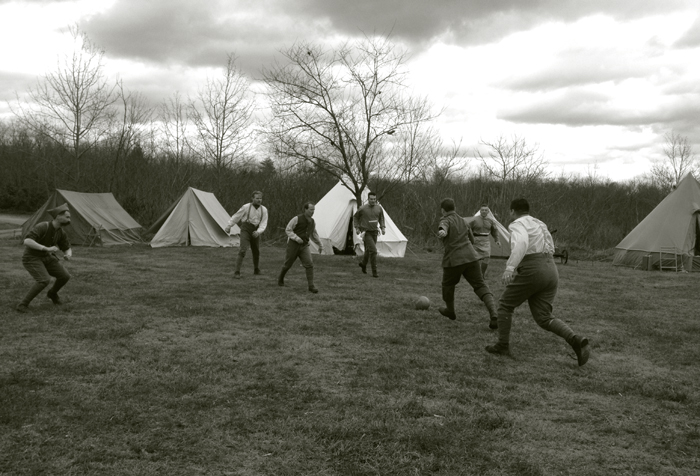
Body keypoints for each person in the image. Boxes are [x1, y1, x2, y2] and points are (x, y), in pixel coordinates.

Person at [485, 198, 591, 366]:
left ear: (512, 211)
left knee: (505, 304)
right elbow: (550, 246)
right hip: (551, 269)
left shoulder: (517, 224)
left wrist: (510, 267)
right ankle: (576, 340)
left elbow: (521, 242)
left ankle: (502, 346)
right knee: (544, 317)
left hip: (534, 268)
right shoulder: (539, 223)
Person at [437, 198, 499, 329]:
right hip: (472, 257)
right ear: (454, 208)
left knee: (448, 285)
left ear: (443, 210)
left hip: (453, 260)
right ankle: (494, 313)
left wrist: (443, 231)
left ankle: (450, 311)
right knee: (480, 285)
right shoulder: (464, 221)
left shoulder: (445, 219)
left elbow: (444, 226)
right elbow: (471, 238)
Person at [16, 203, 73, 313]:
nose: (69, 219)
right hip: (31, 258)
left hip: (47, 258)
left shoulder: (61, 232)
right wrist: (45, 248)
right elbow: (27, 241)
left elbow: (67, 247)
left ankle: (52, 294)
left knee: (64, 276)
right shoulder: (43, 226)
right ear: (57, 216)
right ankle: (22, 305)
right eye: (67, 217)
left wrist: (68, 254)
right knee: (44, 280)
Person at [277, 202, 323, 293]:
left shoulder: (312, 222)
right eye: (311, 210)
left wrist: (320, 244)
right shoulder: (296, 218)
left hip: (304, 246)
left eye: (314, 210)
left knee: (309, 264)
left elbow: (314, 234)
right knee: (288, 264)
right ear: (305, 209)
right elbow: (288, 229)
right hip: (293, 245)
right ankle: (281, 278)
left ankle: (311, 286)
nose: (312, 212)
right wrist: (296, 238)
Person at [225, 191, 268, 279]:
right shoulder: (246, 207)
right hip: (246, 229)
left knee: (256, 250)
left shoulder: (264, 210)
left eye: (260, 198)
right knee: (243, 249)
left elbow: (264, 223)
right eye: (257, 198)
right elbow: (236, 216)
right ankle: (237, 272)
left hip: (256, 230)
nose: (259, 200)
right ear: (252, 198)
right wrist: (229, 226)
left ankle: (256, 269)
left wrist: (258, 232)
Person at [353, 192, 385, 278]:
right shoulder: (362, 208)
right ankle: (374, 271)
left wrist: (382, 227)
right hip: (366, 233)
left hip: (374, 232)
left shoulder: (379, 208)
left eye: (374, 199)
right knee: (373, 251)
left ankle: (363, 264)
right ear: (368, 199)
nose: (373, 201)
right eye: (371, 199)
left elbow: (381, 218)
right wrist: (357, 228)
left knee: (368, 250)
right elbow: (355, 217)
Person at [469, 204, 501, 278]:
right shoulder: (474, 219)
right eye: (482, 210)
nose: (484, 211)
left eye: (485, 210)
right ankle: (473, 273)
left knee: (487, 257)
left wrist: (497, 240)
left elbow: (495, 231)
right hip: (475, 240)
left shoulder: (491, 221)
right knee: (474, 258)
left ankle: (481, 274)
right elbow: (467, 229)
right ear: (480, 211)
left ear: (488, 211)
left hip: (486, 240)